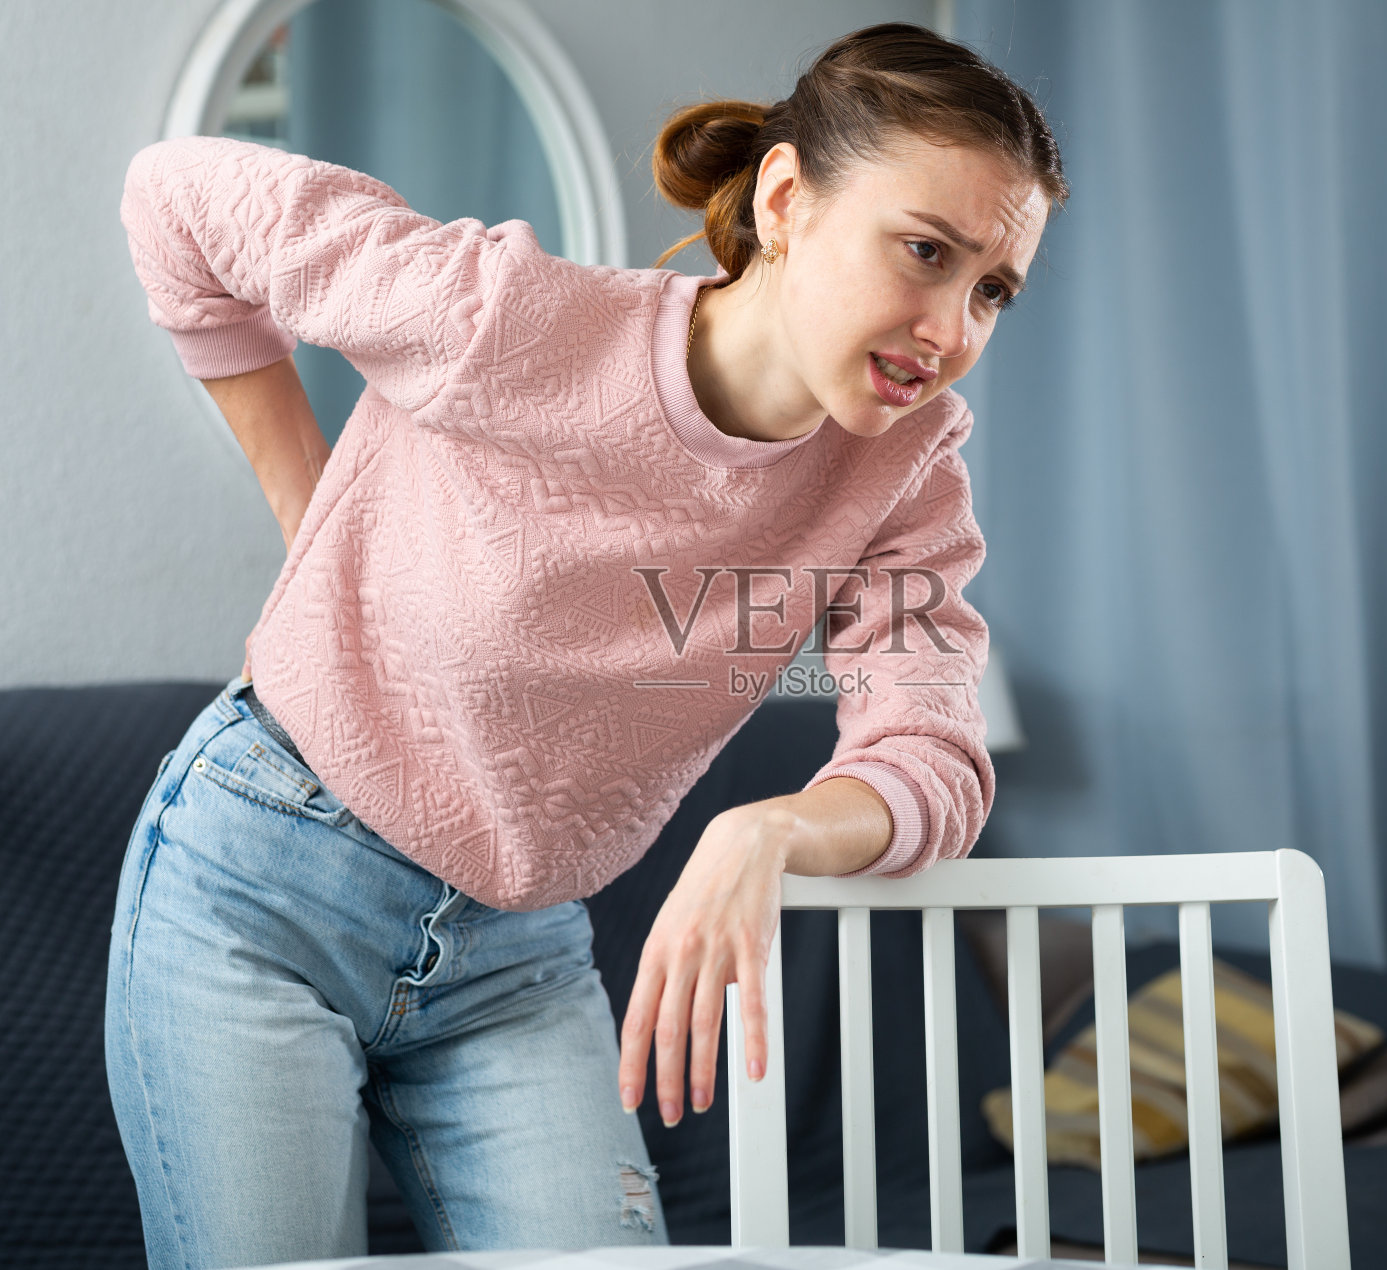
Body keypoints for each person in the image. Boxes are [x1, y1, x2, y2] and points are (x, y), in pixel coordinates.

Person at [106, 19, 1065, 1269]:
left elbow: (932, 755)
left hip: (517, 953)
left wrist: (768, 829)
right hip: (262, 885)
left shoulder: (906, 472)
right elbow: (174, 199)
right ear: (787, 198)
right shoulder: (505, 320)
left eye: (991, 288)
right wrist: (313, 513)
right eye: (925, 252)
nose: (949, 329)